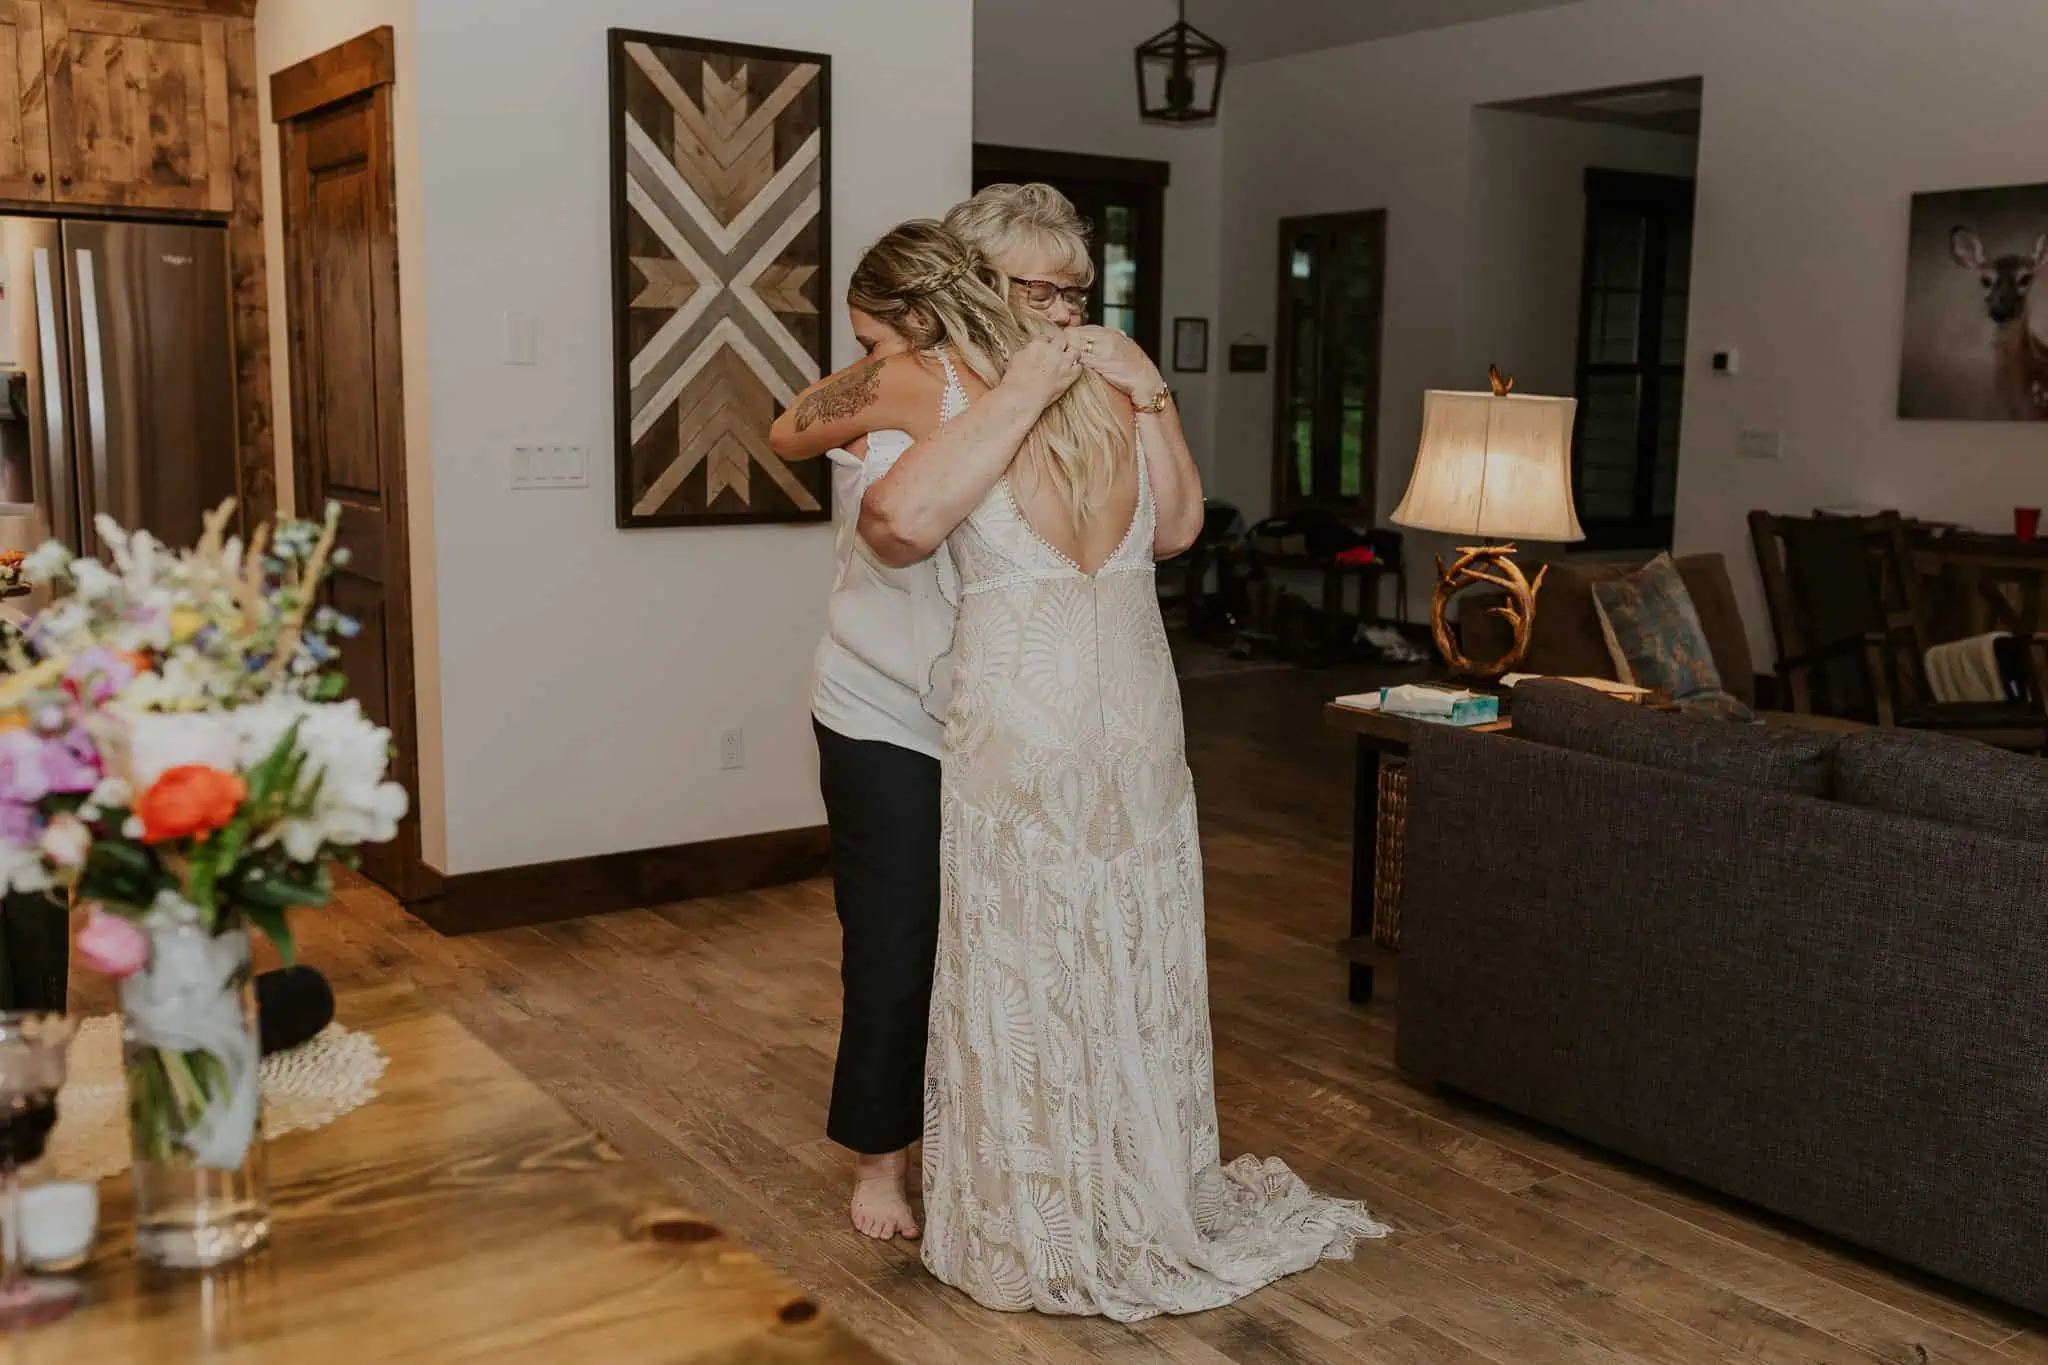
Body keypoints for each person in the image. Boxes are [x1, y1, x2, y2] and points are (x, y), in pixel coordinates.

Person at [777, 219, 1386, 1320]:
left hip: (1044, 713)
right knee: (928, 940)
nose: (1063, 308)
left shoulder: (1096, 389)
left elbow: (1155, 531)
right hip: (893, 705)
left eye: (1075, 289)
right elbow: (820, 458)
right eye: (1038, 288)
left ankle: (1083, 1184)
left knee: (1067, 945)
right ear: (977, 286)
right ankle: (894, 1156)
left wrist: (1138, 388)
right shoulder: (926, 378)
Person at [770, 227, 1084, 1242]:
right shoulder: (903, 381)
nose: (865, 361)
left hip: (1000, 715)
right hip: (878, 711)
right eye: (858, 346)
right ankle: (881, 1165)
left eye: (871, 337)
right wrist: (882, 372)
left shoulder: (1043, 394)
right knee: (896, 940)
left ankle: (999, 1138)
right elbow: (785, 435)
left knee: (1002, 937)